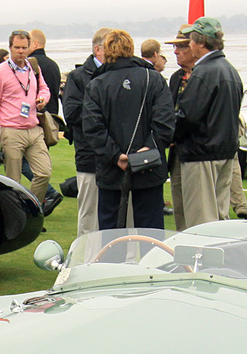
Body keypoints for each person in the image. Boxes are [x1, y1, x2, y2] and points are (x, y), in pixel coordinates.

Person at [81, 29, 174, 230]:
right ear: (131, 49)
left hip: (112, 168)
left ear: (106, 50)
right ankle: (151, 262)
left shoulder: (97, 84)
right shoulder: (154, 78)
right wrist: (149, 148)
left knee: (111, 233)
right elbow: (165, 122)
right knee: (150, 232)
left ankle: (112, 262)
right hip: (148, 164)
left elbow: (92, 128)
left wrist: (115, 155)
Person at [170, 17, 243, 229]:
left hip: (201, 153)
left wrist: (168, 133)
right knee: (219, 218)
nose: (189, 44)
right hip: (224, 152)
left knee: (200, 222)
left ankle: (199, 262)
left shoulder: (205, 72)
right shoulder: (230, 70)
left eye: (191, 40)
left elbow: (188, 116)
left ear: (200, 42)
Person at [0, 29, 51, 204]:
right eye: (17, 47)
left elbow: (44, 88)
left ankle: (30, 210)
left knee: (44, 172)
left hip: (34, 129)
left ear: (29, 48)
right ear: (10, 48)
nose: (21, 51)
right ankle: (15, 219)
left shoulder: (33, 68)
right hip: (11, 131)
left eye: (24, 47)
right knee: (13, 181)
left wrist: (43, 99)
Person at [63, 29, 108, 236]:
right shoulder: (79, 77)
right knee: (89, 213)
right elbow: (72, 114)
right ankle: (85, 259)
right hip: (89, 154)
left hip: (115, 155)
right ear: (97, 49)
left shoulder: (117, 73)